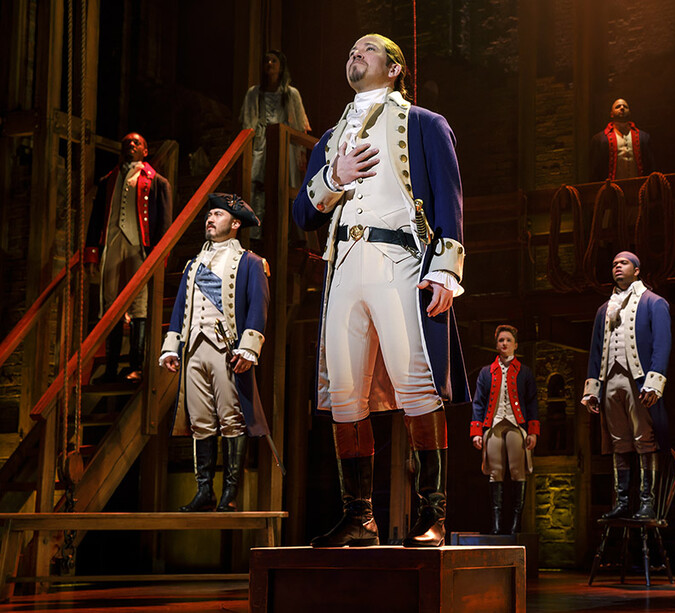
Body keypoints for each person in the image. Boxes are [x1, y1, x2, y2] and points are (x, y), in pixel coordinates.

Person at [293, 33, 469, 548]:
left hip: (401, 260)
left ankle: (432, 513)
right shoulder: (330, 138)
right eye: (350, 49)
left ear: (394, 69)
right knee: (344, 395)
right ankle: (359, 518)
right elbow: (303, 212)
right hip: (343, 265)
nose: (355, 54)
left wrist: (446, 269)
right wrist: (334, 176)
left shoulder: (424, 124)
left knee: (418, 384)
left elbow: (450, 198)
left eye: (367, 49)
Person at [159, 193, 271, 512]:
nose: (210, 219)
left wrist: (249, 349)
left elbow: (258, 308)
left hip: (226, 349)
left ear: (235, 224)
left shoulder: (250, 263)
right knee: (201, 421)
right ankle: (204, 490)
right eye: (209, 215)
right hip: (194, 348)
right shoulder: (193, 265)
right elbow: (181, 307)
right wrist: (172, 347)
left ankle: (229, 493)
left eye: (218, 215)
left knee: (231, 419)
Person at [581, 251, 671, 520]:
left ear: (637, 270)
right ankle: (622, 503)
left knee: (644, 439)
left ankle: (647, 502)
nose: (617, 267)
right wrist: (592, 390)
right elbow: (596, 350)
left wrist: (654, 382)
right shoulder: (603, 309)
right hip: (611, 379)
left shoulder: (654, 303)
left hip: (639, 379)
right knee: (619, 443)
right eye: (614, 264)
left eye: (623, 263)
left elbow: (662, 344)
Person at [85, 132, 172, 383]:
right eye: (126, 143)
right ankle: (111, 369)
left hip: (140, 246)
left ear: (145, 151)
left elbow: (164, 222)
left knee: (139, 305)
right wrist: (92, 253)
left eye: (136, 143)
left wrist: (160, 254)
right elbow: (95, 220)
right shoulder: (108, 181)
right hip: (112, 244)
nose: (130, 145)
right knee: (109, 304)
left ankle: (137, 365)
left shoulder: (156, 182)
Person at [470, 325, 540, 534]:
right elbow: (478, 402)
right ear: (496, 344)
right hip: (493, 426)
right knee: (495, 472)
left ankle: (515, 524)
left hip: (516, 425)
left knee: (518, 472)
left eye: (508, 340)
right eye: (501, 340)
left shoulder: (525, 372)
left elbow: (532, 401)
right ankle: (497, 525)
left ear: (515, 345)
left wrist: (533, 431)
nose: (504, 344)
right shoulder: (486, 372)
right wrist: (476, 431)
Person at [240, 49, 311, 239]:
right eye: (266, 61)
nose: (269, 64)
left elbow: (299, 125)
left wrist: (301, 154)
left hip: (284, 143)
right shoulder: (254, 93)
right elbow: (247, 122)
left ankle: (287, 234)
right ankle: (254, 233)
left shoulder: (291, 94)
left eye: (273, 61)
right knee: (257, 183)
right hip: (261, 142)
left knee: (285, 183)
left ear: (281, 67)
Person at [591, 98, 655, 182]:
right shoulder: (600, 139)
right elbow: (595, 169)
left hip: (638, 186)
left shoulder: (643, 137)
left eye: (625, 106)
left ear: (630, 112)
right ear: (611, 114)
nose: (622, 108)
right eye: (617, 106)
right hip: (612, 190)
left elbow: (650, 166)